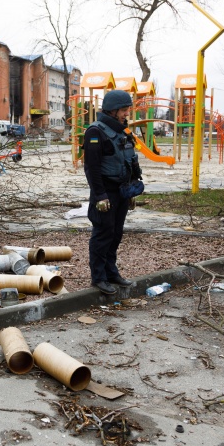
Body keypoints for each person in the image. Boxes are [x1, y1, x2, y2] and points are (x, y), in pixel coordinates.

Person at [83, 90, 142, 295]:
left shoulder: (122, 131)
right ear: (112, 110)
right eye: (124, 110)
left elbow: (129, 162)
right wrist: (100, 196)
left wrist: (131, 191)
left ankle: (111, 272)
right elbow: (92, 168)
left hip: (121, 191)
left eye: (127, 109)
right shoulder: (95, 132)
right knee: (103, 234)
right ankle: (98, 277)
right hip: (105, 192)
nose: (127, 114)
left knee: (116, 234)